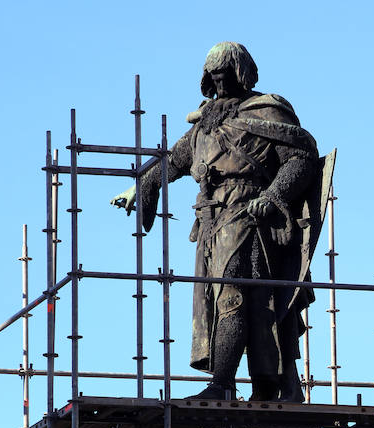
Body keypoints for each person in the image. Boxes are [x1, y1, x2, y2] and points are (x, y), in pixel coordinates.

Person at [109, 42, 322, 402]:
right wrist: (142, 185)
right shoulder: (207, 122)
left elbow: (301, 158)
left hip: (249, 218)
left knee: (236, 297)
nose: (220, 85)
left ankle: (225, 385)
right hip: (211, 222)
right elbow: (174, 161)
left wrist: (270, 199)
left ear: (242, 75)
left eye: (226, 77)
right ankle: (259, 386)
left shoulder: (268, 111)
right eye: (214, 78)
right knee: (228, 300)